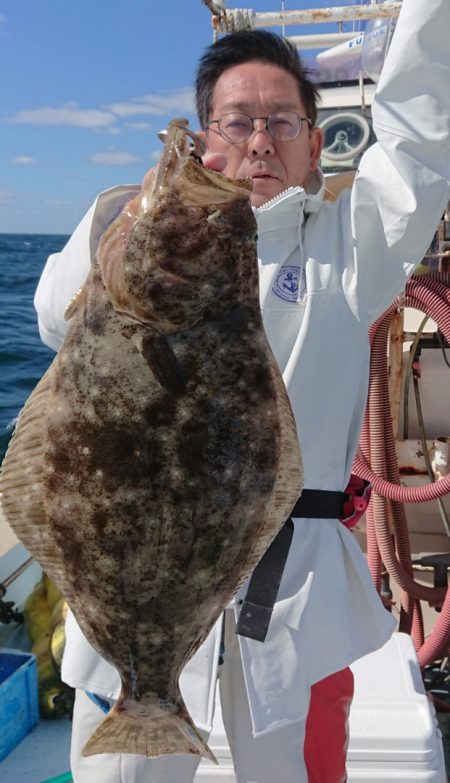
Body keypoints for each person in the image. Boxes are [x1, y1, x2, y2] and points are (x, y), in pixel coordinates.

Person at [34, 0, 450, 781]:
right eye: (237, 122)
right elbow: (56, 316)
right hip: (137, 592)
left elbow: (420, 142)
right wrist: (115, 221)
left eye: (282, 122)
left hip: (294, 606)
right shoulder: (129, 230)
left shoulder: (349, 249)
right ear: (202, 138)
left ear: (316, 145)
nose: (259, 139)